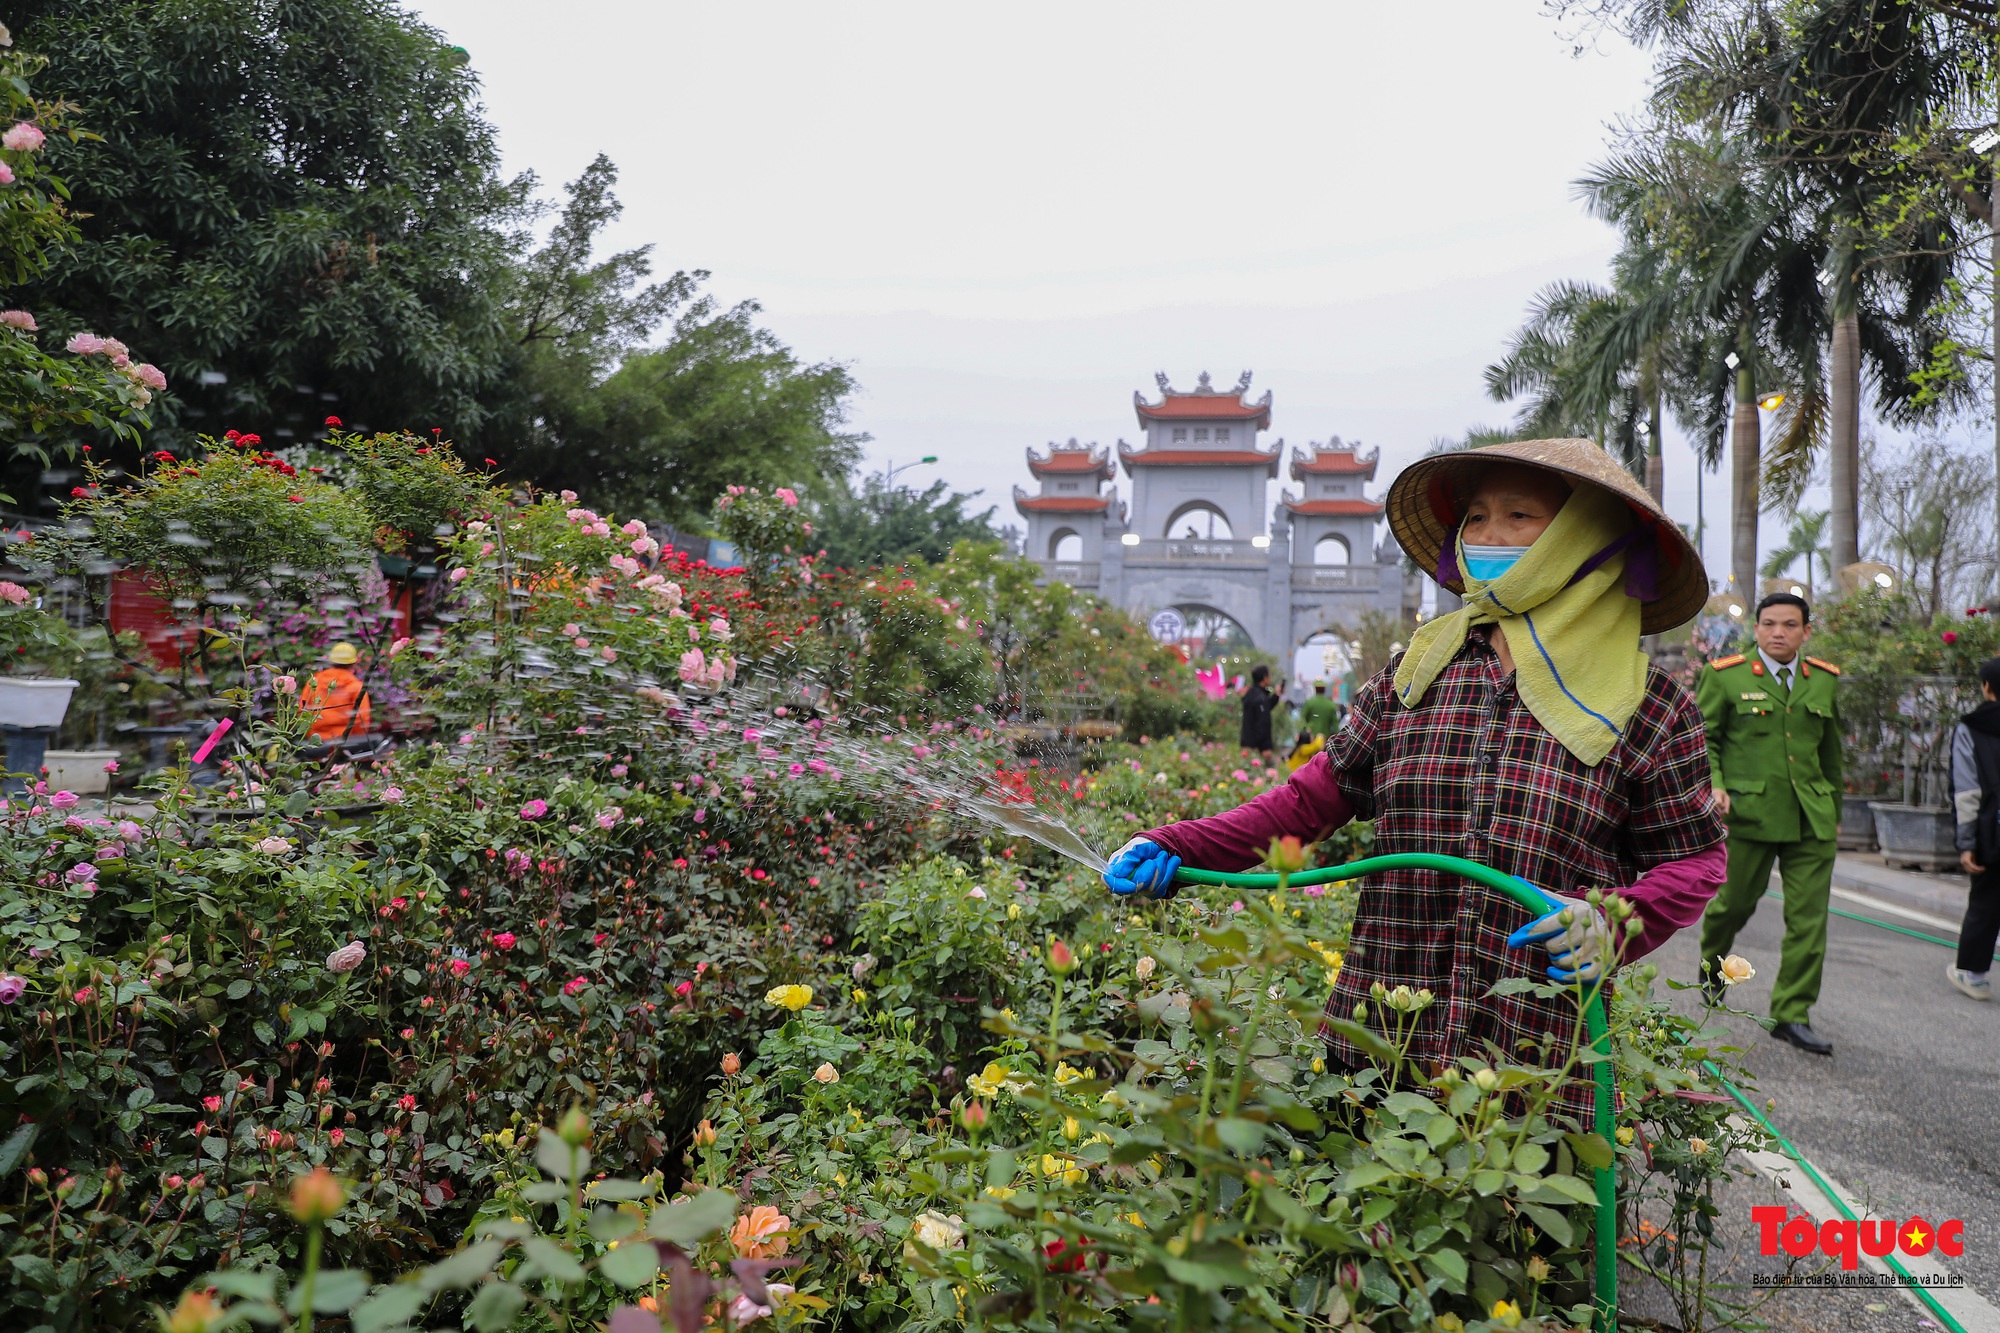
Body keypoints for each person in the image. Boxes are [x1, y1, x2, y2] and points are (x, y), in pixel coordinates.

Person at [1103, 438, 1725, 1124]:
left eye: (1519, 517)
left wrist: (1610, 923)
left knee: (1528, 1231)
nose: (1488, 535)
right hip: (1381, 1043)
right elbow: (1306, 803)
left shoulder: (1651, 704)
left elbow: (1695, 859)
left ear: (1585, 538)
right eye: (1477, 517)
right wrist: (1174, 844)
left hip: (1538, 1064)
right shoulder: (1417, 672)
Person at [1694, 593, 1842, 1055]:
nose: (1779, 632)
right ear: (1756, 630)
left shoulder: (1823, 681)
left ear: (1805, 632)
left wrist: (1833, 810)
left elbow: (1831, 754)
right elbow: (1704, 741)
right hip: (1748, 813)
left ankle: (1792, 1013)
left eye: (1790, 625)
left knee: (1808, 922)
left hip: (1810, 817)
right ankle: (1711, 964)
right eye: (1770, 624)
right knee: (1732, 906)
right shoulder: (1726, 677)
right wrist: (1713, 785)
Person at [1946, 657, 2000, 1000]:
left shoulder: (1972, 727)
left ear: (1986, 687)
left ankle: (1974, 977)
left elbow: (1967, 790)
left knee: (1985, 901)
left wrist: (1966, 842)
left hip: (1992, 830)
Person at [301, 641, 373, 743]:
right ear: (354, 663)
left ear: (331, 661)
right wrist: (356, 742)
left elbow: (302, 711)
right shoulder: (356, 687)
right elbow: (362, 719)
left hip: (317, 742)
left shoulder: (314, 682)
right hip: (345, 743)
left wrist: (311, 737)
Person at [1239, 664, 1278, 757]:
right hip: (1258, 748)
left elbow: (1265, 708)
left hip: (1247, 744)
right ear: (1264, 678)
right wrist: (1265, 747)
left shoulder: (1251, 694)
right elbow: (1262, 723)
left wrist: (1276, 695)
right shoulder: (1260, 699)